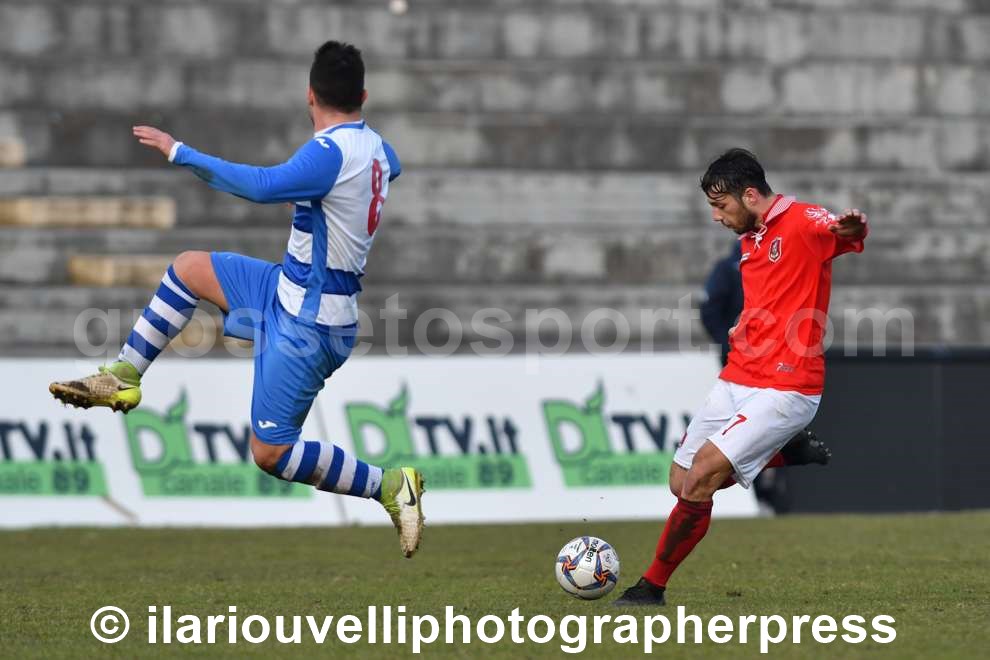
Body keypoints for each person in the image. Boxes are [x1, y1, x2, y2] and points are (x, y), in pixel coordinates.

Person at [49, 41, 425, 558]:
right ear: (363, 95)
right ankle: (124, 376)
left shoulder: (329, 153)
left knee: (270, 453)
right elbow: (389, 168)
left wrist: (180, 152)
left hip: (310, 323)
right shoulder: (378, 149)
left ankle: (390, 486)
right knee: (189, 269)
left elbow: (263, 186)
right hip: (284, 287)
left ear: (309, 94)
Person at [615, 148, 867, 605]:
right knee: (680, 481)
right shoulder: (749, 238)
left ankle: (651, 586)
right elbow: (768, 297)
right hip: (740, 375)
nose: (716, 215)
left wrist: (850, 228)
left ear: (750, 195)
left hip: (787, 386)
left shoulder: (802, 219)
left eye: (720, 204)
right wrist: (745, 325)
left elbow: (835, 228)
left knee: (700, 480)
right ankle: (782, 453)